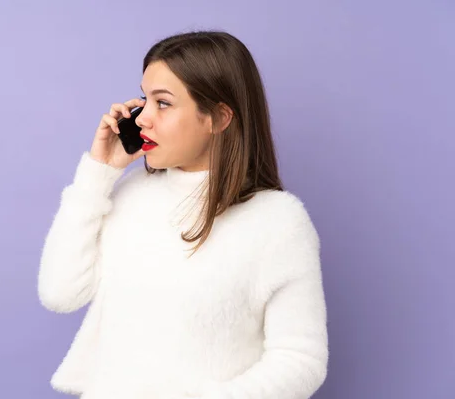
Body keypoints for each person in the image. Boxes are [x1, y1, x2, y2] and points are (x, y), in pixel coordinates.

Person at [38, 30, 328, 399]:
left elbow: (301, 359)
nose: (142, 119)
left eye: (163, 103)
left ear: (219, 118)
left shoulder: (277, 221)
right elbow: (60, 294)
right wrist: (99, 173)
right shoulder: (128, 195)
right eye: (145, 100)